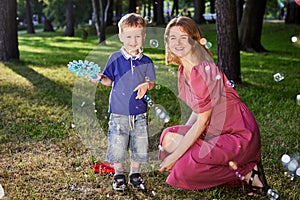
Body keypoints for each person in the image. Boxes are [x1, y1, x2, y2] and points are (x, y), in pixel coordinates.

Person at [158, 16, 270, 197]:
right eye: (173, 38)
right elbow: (198, 109)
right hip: (213, 130)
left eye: (183, 37)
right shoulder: (183, 70)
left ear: (194, 40)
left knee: (184, 171)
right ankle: (199, 160)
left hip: (237, 135)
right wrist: (185, 137)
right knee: (168, 138)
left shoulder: (201, 70)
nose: (177, 43)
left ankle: (248, 172)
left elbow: (202, 121)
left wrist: (177, 155)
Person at [91, 13, 156, 190]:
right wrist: (99, 78)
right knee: (118, 144)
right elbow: (109, 81)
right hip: (119, 112)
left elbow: (151, 82)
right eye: (128, 36)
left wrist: (147, 85)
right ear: (121, 37)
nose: (133, 40)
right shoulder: (115, 58)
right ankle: (118, 174)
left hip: (140, 113)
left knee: (139, 145)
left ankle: (135, 173)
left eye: (137, 36)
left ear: (143, 37)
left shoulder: (146, 61)